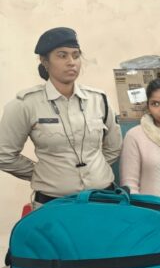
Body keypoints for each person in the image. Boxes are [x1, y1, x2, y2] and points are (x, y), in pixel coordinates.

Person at [0, 27, 122, 208]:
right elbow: (4, 155)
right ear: (45, 61)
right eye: (62, 55)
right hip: (54, 204)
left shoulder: (99, 100)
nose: (71, 62)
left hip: (102, 199)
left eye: (76, 55)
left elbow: (114, 147)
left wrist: (96, 169)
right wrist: (42, 174)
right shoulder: (25, 104)